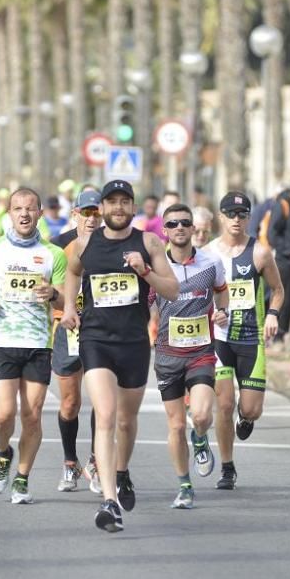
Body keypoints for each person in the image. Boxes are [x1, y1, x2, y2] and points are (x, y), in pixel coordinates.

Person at [60, 179, 179, 532]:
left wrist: (144, 270)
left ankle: (122, 471)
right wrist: (69, 306)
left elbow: (172, 289)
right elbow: (72, 271)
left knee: (126, 421)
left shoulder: (149, 242)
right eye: (111, 202)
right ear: (102, 208)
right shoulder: (85, 243)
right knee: (106, 415)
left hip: (134, 343)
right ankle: (109, 502)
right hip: (96, 339)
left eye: (124, 202)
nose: (118, 208)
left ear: (133, 206)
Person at [0, 187, 67, 505]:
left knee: (32, 415)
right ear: (8, 213)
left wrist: (54, 294)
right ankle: (3, 454)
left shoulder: (54, 255)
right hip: (2, 341)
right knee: (3, 415)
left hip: (39, 343)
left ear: (40, 213)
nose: (24, 214)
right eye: (17, 209)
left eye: (30, 209)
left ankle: (22, 479)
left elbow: (67, 300)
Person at [206, 192, 284, 490]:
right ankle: (227, 468)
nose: (236, 219)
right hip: (220, 340)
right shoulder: (208, 253)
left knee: (250, 409)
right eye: (231, 213)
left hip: (252, 338)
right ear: (220, 216)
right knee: (224, 404)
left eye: (242, 214)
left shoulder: (260, 253)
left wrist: (273, 315)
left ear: (249, 217)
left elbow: (278, 290)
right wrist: (212, 314)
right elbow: (200, 295)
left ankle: (247, 419)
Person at [154, 203, 229, 509]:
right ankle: (185, 485)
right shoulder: (156, 266)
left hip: (200, 352)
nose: (180, 228)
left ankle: (201, 437)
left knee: (199, 415)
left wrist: (222, 310)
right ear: (165, 230)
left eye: (185, 222)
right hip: (167, 354)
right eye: (173, 224)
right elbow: (147, 300)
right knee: (175, 426)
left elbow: (222, 290)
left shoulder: (211, 262)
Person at [50, 190, 103, 493]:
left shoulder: (114, 242)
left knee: (102, 399)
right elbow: (50, 288)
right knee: (70, 403)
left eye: (97, 213)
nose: (92, 219)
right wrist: (63, 305)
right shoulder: (60, 245)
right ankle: (71, 463)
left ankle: (96, 460)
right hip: (69, 328)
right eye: (86, 213)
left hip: (103, 329)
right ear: (75, 214)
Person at [266, 176, 290, 349]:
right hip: (284, 262)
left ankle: (285, 333)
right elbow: (272, 234)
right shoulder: (283, 205)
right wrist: (289, 251)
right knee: (282, 298)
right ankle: (277, 336)